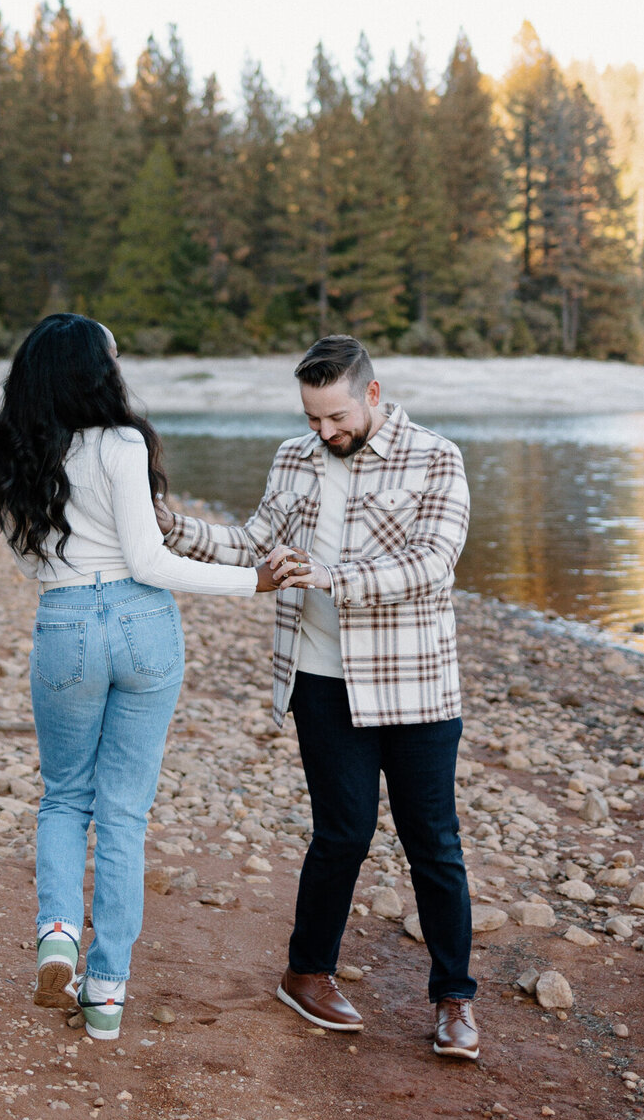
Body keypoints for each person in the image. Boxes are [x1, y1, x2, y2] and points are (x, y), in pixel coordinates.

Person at [155, 334, 479, 1060]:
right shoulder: (293, 457)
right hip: (320, 680)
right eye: (311, 418)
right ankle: (306, 973)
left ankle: (455, 998)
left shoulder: (437, 456)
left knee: (434, 840)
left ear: (371, 394)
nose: (324, 433)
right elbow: (250, 543)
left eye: (335, 417)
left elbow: (432, 564)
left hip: (416, 681)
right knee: (343, 832)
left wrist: (332, 576)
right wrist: (168, 525)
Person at [0, 313, 275, 1042]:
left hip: (66, 623)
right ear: (94, 371)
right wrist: (252, 581)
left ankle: (55, 936)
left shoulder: (10, 451)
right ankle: (106, 995)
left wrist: (71, 579)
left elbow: (27, 562)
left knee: (64, 797)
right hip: (142, 626)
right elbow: (147, 562)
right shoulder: (121, 443)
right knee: (123, 814)